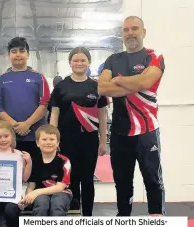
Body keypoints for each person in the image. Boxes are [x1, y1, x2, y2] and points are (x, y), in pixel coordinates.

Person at [98, 16, 166, 216]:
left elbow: (144, 83)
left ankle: (157, 223)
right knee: (122, 181)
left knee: (153, 180)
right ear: (122, 34)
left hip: (147, 131)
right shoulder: (113, 59)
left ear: (143, 32)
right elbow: (102, 87)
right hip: (120, 132)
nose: (130, 33)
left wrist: (118, 81)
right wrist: (134, 83)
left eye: (135, 29)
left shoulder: (154, 56)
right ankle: (123, 221)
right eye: (126, 30)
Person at [49, 47, 108, 216]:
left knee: (87, 180)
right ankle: (73, 214)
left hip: (89, 140)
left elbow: (102, 116)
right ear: (70, 63)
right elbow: (54, 114)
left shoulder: (97, 87)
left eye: (83, 60)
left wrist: (103, 141)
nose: (79, 63)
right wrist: (54, 140)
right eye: (76, 60)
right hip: (67, 140)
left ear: (88, 62)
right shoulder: (61, 86)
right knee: (71, 179)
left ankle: (87, 217)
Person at [0, 37, 51, 159]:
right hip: (8, 138)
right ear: (8, 55)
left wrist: (27, 124)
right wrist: (16, 126)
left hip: (36, 136)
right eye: (14, 52)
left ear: (28, 54)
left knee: (34, 174)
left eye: (22, 51)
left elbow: (44, 104)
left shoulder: (39, 78)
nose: (18, 55)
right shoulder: (0, 80)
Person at [21, 124, 71, 227]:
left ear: (58, 142)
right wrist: (27, 198)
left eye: (52, 139)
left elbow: (60, 187)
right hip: (41, 195)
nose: (48, 142)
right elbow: (31, 185)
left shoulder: (64, 161)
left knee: (57, 203)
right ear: (37, 143)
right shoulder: (34, 161)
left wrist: (36, 192)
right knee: (42, 203)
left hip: (62, 193)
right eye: (44, 139)